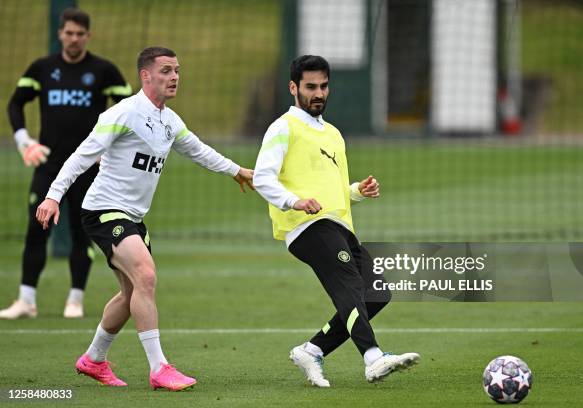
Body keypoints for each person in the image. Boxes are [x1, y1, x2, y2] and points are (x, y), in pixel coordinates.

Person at [36, 46, 254, 390]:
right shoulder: (122, 114)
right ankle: (159, 368)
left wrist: (236, 171)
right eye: (166, 70)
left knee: (130, 293)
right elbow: (81, 156)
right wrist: (53, 195)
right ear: (145, 75)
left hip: (133, 217)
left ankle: (93, 360)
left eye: (177, 70)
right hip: (103, 210)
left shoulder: (170, 120)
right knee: (146, 275)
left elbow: (198, 150)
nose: (174, 77)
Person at [253, 55, 420, 387]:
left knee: (377, 293)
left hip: (339, 226)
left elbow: (329, 190)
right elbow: (261, 177)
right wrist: (294, 200)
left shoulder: (332, 134)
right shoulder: (283, 127)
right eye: (311, 86)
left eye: (324, 86)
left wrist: (356, 191)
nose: (318, 93)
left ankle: (311, 350)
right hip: (306, 226)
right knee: (349, 285)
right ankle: (373, 358)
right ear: (293, 88)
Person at [1, 8, 132, 319]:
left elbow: (129, 110)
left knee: (80, 232)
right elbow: (15, 103)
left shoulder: (103, 71)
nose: (74, 39)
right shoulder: (42, 68)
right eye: (69, 33)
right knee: (36, 229)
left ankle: (75, 300)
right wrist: (25, 141)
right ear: (60, 34)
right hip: (49, 166)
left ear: (88, 36)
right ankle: (26, 300)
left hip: (88, 169)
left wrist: (109, 149)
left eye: (80, 34)